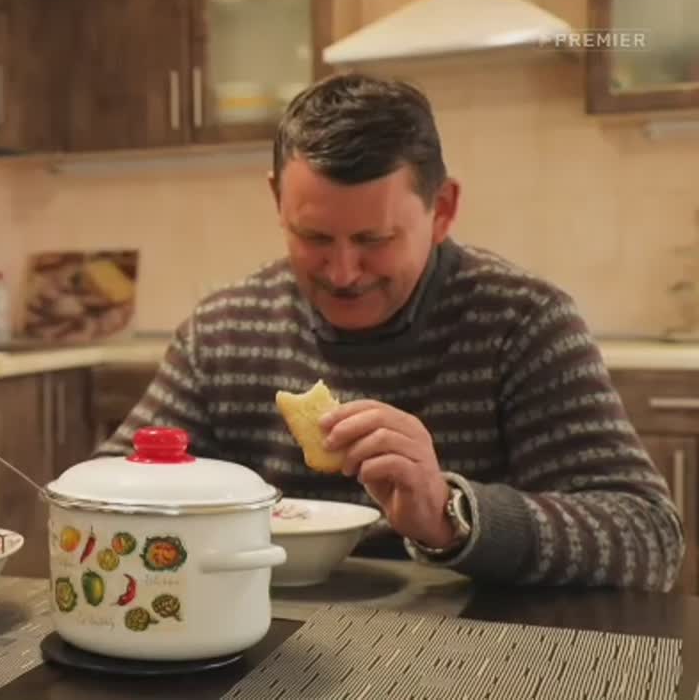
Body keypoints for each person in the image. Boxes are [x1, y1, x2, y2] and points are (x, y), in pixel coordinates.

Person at [97, 72, 684, 593]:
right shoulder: (223, 333)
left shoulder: (521, 323)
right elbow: (107, 493)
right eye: (314, 238)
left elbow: (650, 539)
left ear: (443, 209)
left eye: (374, 240)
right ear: (277, 198)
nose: (342, 272)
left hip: (478, 649)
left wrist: (451, 515)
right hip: (266, 637)